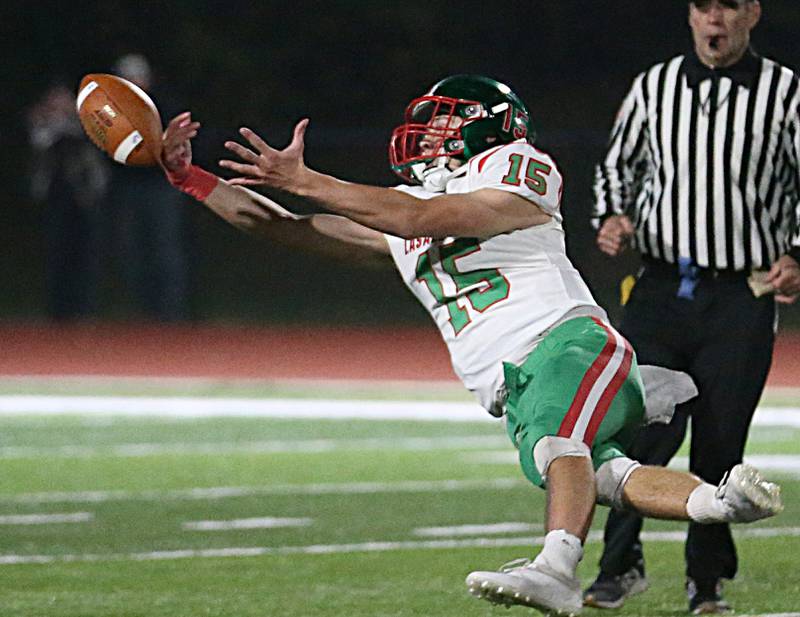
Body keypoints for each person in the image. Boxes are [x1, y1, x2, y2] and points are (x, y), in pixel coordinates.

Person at [158, 75, 782, 617]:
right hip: (520, 381)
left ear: (489, 129)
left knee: (557, 446)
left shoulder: (515, 168)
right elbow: (283, 227)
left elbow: (429, 221)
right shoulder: (402, 209)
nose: (427, 136)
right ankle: (719, 500)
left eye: (443, 123)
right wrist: (190, 178)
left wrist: (308, 178)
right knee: (606, 475)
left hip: (567, 344)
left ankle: (558, 570)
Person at [586, 1, 800, 613]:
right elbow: (615, 167)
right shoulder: (655, 86)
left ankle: (705, 580)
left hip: (741, 295)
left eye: (729, 5)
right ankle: (618, 565)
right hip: (659, 291)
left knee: (720, 443)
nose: (716, 19)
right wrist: (613, 216)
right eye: (704, 5)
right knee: (636, 434)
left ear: (751, 14)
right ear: (690, 15)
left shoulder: (785, 92)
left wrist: (797, 252)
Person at [107, 53, 192, 321]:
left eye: (137, 77)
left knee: (165, 249)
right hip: (127, 188)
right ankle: (141, 311)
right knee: (130, 249)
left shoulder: (163, 107)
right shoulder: (110, 111)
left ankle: (171, 313)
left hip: (161, 187)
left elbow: (179, 146)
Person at [27, 81, 109, 320]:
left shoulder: (85, 126)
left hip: (83, 198)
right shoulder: (43, 129)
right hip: (55, 199)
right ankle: (58, 311)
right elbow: (40, 146)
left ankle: (84, 309)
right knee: (57, 254)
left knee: (85, 255)